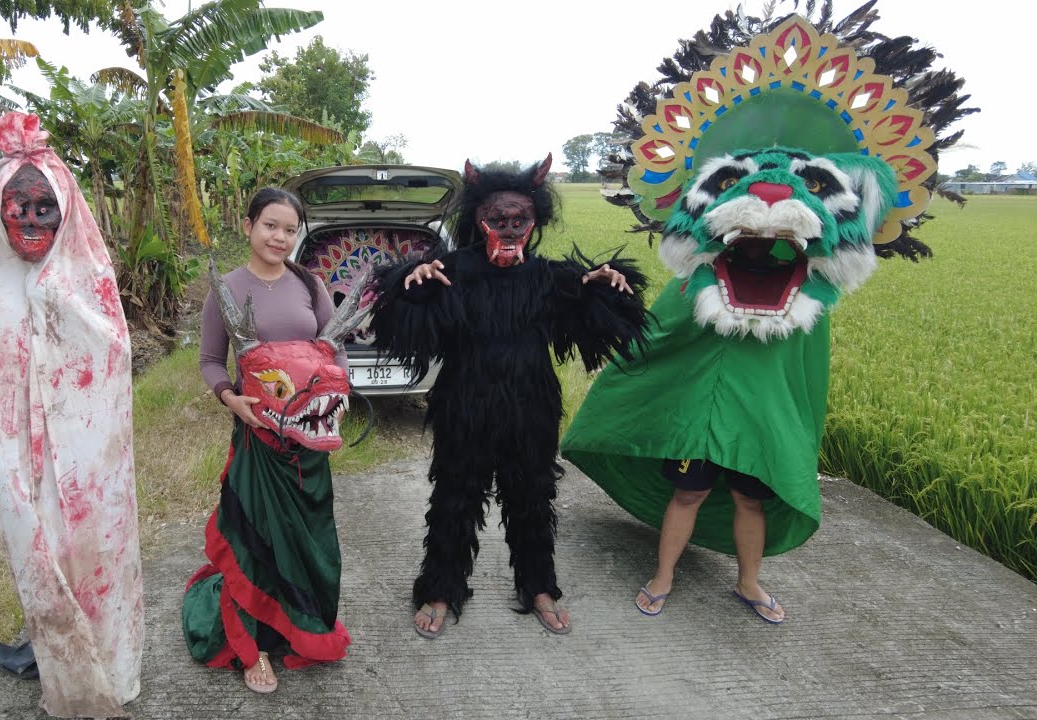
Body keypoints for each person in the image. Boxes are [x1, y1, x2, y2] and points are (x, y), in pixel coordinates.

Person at [561, 9, 967, 625]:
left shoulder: (810, 309)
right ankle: (663, 574)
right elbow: (656, 345)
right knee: (688, 492)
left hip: (759, 427)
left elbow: (804, 384)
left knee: (753, 502)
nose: (773, 201)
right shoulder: (692, 288)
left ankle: (750, 583)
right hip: (698, 423)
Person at [368, 155, 650, 638]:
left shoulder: (546, 276)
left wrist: (611, 288)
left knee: (533, 498)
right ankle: (440, 589)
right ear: (479, 219)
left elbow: (595, 318)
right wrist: (411, 287)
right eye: (499, 220)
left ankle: (539, 585)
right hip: (464, 405)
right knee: (455, 496)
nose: (510, 228)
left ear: (535, 219)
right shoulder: (451, 270)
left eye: (519, 220)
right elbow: (401, 326)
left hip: (530, 406)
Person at [0, 111, 142, 718]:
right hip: (17, 450)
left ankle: (106, 664)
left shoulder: (89, 278)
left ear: (67, 210)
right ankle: (43, 644)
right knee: (31, 542)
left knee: (89, 548)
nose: (30, 221)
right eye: (17, 206)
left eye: (43, 208)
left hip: (86, 458)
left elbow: (109, 361)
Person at [182, 187, 362, 694]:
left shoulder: (310, 283)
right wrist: (229, 398)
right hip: (259, 442)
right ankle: (253, 647)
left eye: (290, 229)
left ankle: (304, 628)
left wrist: (337, 396)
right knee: (256, 544)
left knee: (310, 541)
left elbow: (335, 347)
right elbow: (211, 360)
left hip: (310, 441)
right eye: (270, 225)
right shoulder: (228, 288)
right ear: (248, 225)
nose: (280, 237)